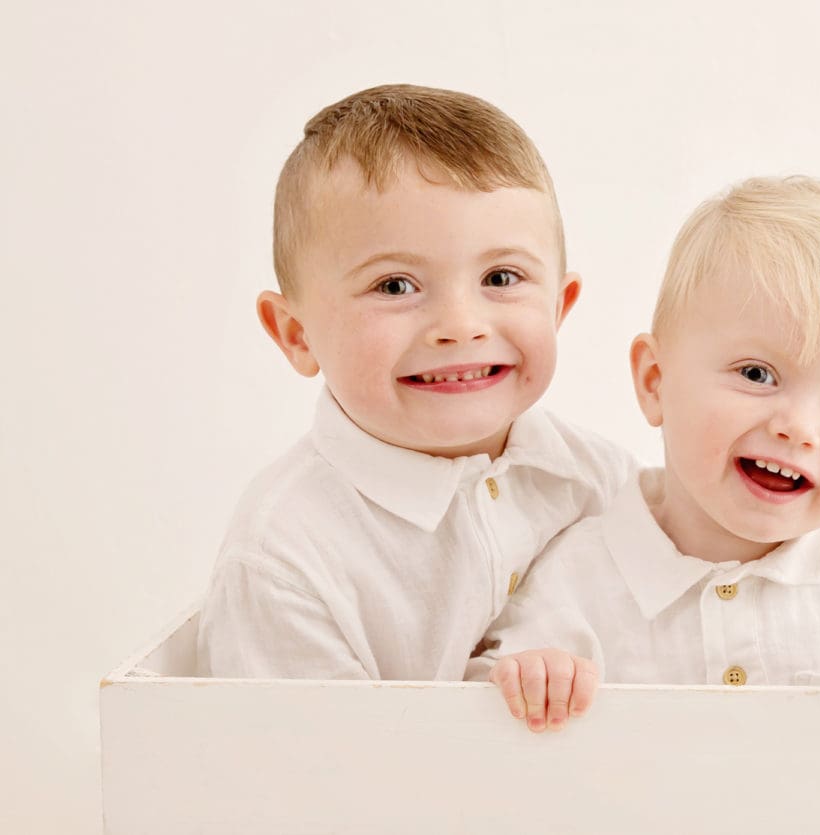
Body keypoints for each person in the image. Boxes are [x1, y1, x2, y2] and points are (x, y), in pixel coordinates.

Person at [470, 175, 820, 751]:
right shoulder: (581, 572)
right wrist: (534, 677)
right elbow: (468, 706)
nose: (799, 428)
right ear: (656, 382)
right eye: (757, 374)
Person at [196, 84, 634, 680]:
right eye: (395, 286)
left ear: (560, 306)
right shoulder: (286, 554)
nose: (460, 326)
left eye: (502, 277)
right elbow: (303, 766)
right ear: (297, 334)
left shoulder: (602, 484)